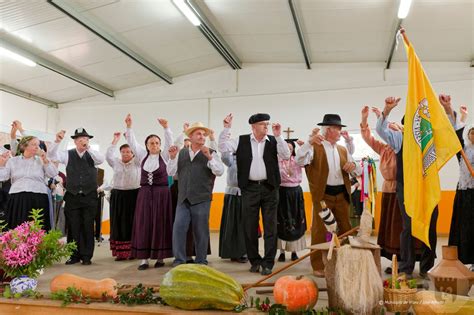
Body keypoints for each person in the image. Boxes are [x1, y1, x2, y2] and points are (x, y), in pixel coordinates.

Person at [375, 95, 462, 278]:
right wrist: (387, 109)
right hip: (406, 189)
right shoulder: (400, 139)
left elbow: (451, 133)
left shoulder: (431, 140)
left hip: (428, 189)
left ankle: (427, 267)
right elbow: (380, 129)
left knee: (430, 227)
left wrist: (447, 108)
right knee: (408, 228)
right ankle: (406, 268)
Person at [218, 113, 290, 276]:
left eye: (267, 123)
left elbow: (286, 155)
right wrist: (226, 128)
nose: (266, 126)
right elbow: (222, 147)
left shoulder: (273, 140)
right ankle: (255, 260)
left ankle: (268, 262)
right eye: (263, 124)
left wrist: (279, 137)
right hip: (249, 188)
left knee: (270, 227)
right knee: (249, 226)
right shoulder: (241, 140)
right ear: (253, 126)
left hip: (270, 188)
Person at [296, 114, 361, 277]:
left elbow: (358, 170)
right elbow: (299, 160)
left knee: (346, 229)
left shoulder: (343, 149)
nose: (340, 132)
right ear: (328, 130)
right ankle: (318, 265)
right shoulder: (314, 148)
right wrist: (309, 142)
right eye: (338, 129)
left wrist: (353, 165)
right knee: (320, 230)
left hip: (342, 195)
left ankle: (346, 260)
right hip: (323, 196)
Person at [168, 122, 224, 266]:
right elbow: (170, 172)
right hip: (183, 198)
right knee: (178, 228)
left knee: (201, 231)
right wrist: (173, 158)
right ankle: (179, 260)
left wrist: (210, 158)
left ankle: (201, 260)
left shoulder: (211, 152)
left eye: (204, 134)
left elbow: (219, 171)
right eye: (198, 134)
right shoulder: (181, 153)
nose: (202, 136)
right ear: (191, 136)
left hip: (201, 198)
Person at [48, 128, 105, 265]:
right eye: (79, 139)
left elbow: (101, 160)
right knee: (73, 227)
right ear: (74, 141)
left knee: (87, 226)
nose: (83, 141)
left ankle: (86, 256)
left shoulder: (93, 154)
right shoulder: (67, 154)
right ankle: (74, 255)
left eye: (85, 139)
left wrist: (88, 149)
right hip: (73, 196)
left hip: (89, 196)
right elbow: (52, 155)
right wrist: (57, 141)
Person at [124, 114, 174, 270]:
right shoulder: (141, 156)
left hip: (162, 194)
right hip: (145, 194)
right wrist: (129, 126)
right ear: (146, 145)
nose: (154, 145)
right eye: (151, 143)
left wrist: (166, 127)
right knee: (143, 224)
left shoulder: (165, 156)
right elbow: (131, 141)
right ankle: (143, 259)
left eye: (157, 143)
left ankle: (160, 257)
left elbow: (170, 143)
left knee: (160, 223)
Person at [0, 136, 57, 230]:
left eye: (38, 145)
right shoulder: (13, 161)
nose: (37, 147)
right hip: (17, 197)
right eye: (34, 144)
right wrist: (1, 165)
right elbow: (2, 177)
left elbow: (53, 173)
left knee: (37, 228)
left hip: (38, 197)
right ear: (24, 146)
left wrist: (45, 159)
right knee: (17, 227)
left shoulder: (42, 160)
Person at [105, 132, 141, 261]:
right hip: (118, 195)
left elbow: (137, 149)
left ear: (133, 153)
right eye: (123, 152)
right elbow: (108, 155)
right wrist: (115, 140)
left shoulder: (138, 163)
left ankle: (133, 251)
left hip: (134, 195)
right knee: (118, 223)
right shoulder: (116, 162)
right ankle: (120, 253)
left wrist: (129, 138)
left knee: (133, 223)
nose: (126, 154)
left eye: (128, 152)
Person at [448, 105, 473, 271]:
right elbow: (455, 137)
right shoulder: (463, 150)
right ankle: (463, 259)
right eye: (472, 133)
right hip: (464, 193)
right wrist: (461, 117)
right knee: (463, 226)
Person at [277, 139, 307, 262]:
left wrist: (304, 146)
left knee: (296, 221)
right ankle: (282, 252)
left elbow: (308, 159)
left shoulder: (298, 160)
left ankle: (294, 251)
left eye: (290, 148)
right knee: (281, 221)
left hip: (295, 193)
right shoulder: (277, 160)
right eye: (286, 148)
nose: (288, 150)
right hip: (281, 192)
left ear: (294, 149)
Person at [218, 151, 247, 263]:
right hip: (232, 194)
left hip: (245, 194)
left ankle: (243, 252)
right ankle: (231, 252)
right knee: (231, 225)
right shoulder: (231, 159)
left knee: (243, 226)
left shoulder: (249, 158)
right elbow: (224, 155)